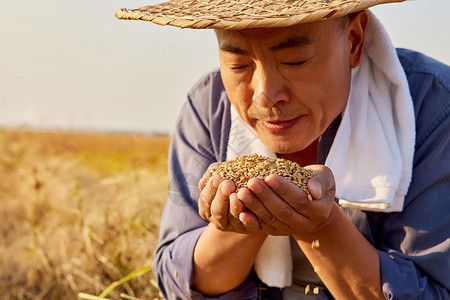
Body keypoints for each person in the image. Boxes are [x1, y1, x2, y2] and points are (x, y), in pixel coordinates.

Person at [116, 1, 450, 299]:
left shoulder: (432, 110)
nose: (264, 95)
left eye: (295, 60)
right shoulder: (209, 106)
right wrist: (238, 225)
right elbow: (178, 281)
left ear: (353, 41)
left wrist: (321, 226)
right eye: (238, 65)